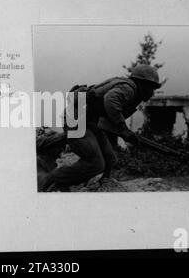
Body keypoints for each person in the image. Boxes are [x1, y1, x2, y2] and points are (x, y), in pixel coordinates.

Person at [38, 64, 163, 192]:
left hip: (89, 121)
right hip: (76, 120)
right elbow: (110, 102)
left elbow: (109, 122)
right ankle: (50, 179)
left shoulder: (126, 86)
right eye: (151, 88)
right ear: (142, 84)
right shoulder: (129, 89)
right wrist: (124, 130)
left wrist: (124, 134)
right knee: (95, 163)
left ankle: (97, 183)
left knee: (110, 158)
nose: (152, 93)